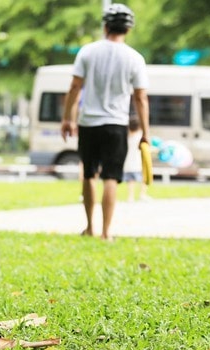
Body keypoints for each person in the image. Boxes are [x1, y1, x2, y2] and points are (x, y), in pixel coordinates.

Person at [60, 3, 150, 241]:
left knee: (89, 174)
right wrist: (145, 132)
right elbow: (140, 98)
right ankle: (106, 233)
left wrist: (68, 118)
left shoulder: (87, 52)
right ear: (128, 30)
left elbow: (74, 86)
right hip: (117, 125)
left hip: (89, 122)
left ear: (105, 26)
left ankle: (90, 227)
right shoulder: (135, 58)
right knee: (111, 177)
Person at [123, 115, 151, 202]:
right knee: (144, 179)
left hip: (127, 164)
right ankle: (142, 194)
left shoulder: (126, 137)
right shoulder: (140, 137)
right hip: (139, 163)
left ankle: (130, 197)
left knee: (130, 181)